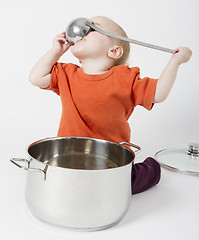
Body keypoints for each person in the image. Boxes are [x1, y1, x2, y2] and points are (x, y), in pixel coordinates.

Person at [29, 16, 192, 194]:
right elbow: (36, 78)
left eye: (92, 29)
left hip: (110, 159)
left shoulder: (125, 78)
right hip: (69, 156)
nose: (83, 30)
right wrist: (56, 51)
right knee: (58, 181)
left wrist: (175, 62)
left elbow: (158, 93)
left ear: (114, 51)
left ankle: (150, 170)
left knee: (122, 185)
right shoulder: (66, 73)